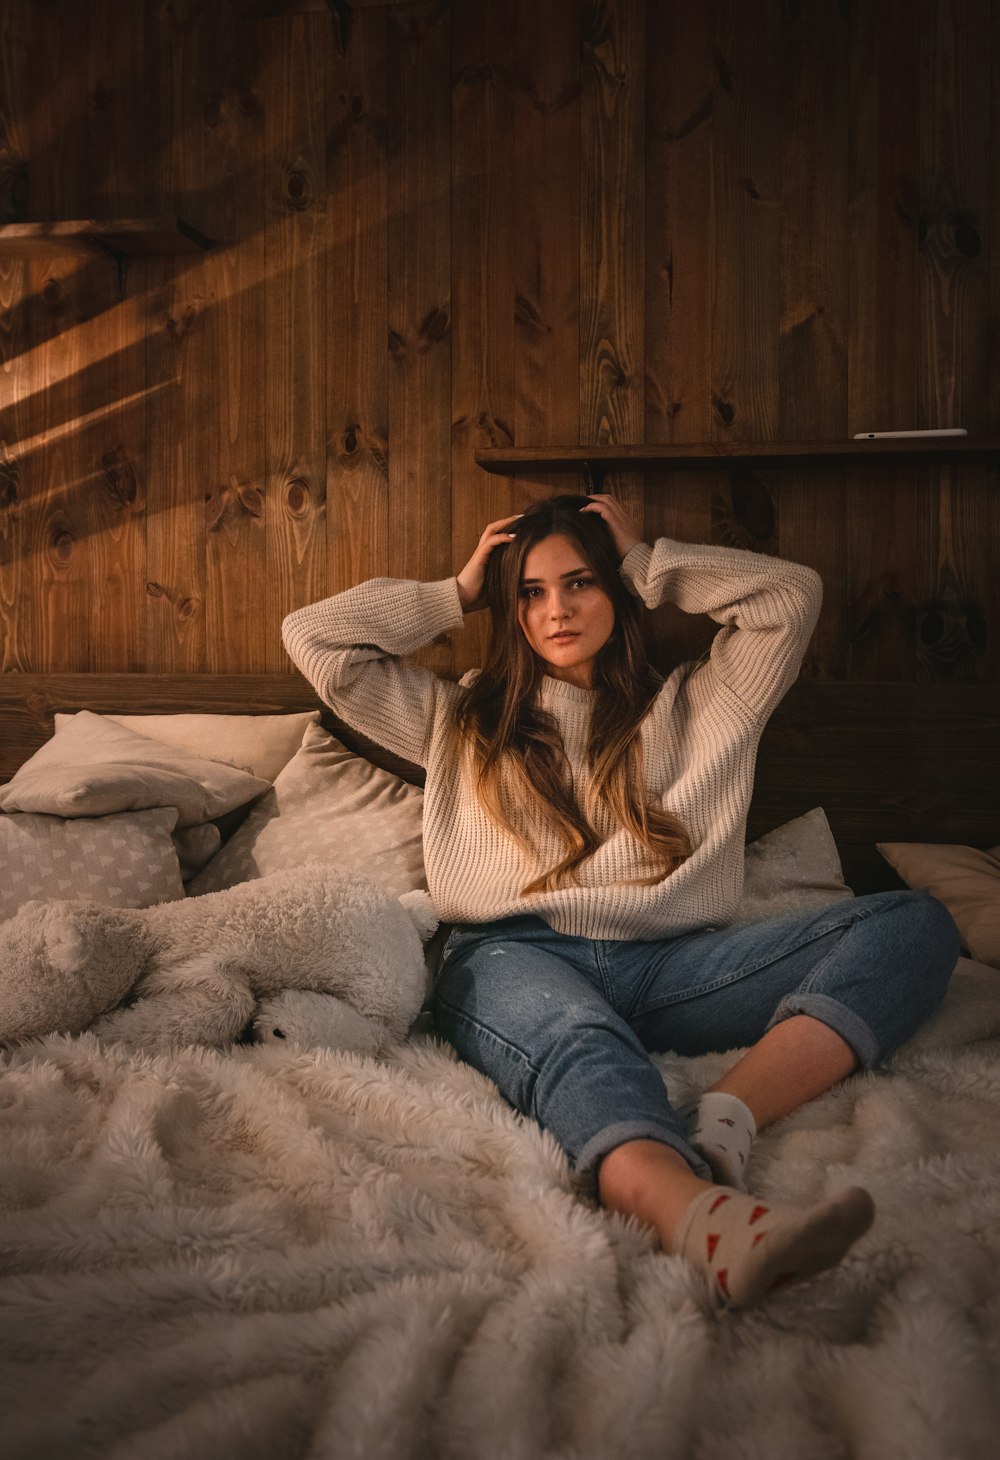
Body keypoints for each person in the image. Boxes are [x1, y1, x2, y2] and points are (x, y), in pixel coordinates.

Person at [282, 493, 959, 1310]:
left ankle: (729, 1115)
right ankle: (702, 1217)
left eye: (581, 583)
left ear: (618, 591)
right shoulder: (460, 716)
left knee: (916, 923)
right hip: (512, 955)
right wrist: (456, 593)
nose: (556, 609)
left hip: (673, 964)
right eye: (530, 592)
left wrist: (650, 561)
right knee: (579, 1040)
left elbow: (791, 598)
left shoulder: (704, 703)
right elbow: (313, 637)